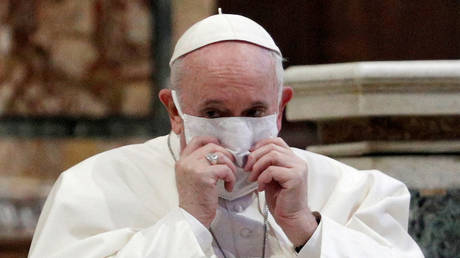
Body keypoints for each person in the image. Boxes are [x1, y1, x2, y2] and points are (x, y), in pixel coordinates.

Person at [29, 11, 424, 258]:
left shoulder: (356, 192)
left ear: (282, 107)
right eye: (214, 113)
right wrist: (188, 222)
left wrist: (306, 228)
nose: (237, 136)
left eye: (255, 112)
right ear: (174, 110)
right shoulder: (90, 189)